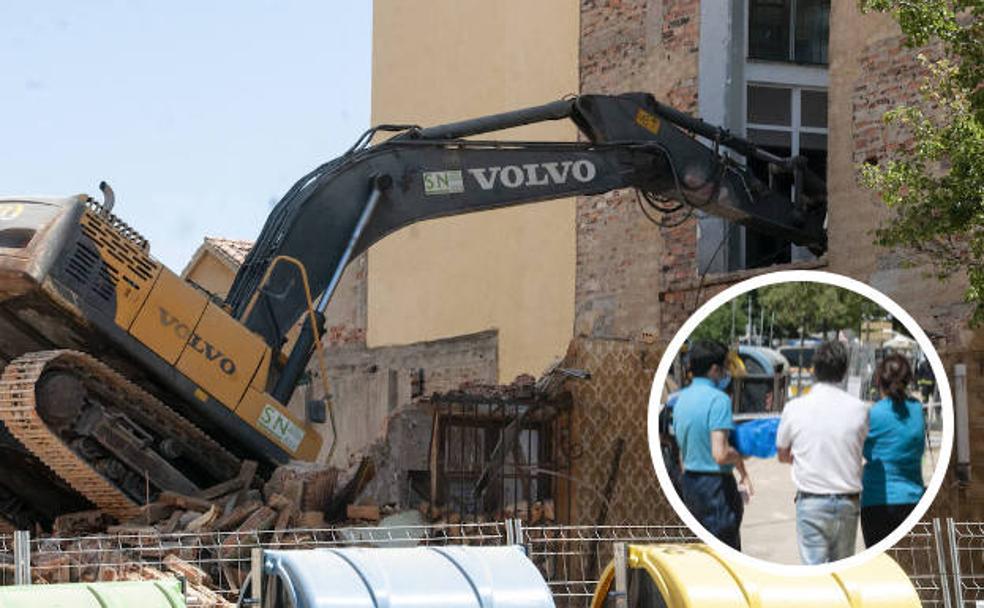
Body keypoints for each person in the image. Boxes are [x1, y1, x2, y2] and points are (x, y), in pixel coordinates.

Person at [776, 340, 868, 565]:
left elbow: (782, 452)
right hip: (848, 503)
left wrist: (801, 458)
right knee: (842, 573)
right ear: (844, 371)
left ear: (814, 370)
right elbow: (859, 447)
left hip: (811, 502)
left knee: (813, 576)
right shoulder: (860, 409)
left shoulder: (794, 408)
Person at [671, 340, 752, 550]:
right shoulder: (719, 401)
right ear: (714, 369)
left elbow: (682, 454)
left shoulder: (680, 400)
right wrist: (742, 455)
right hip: (716, 490)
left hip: (689, 484)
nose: (726, 372)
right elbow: (720, 454)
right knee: (725, 555)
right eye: (724, 367)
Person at [860, 354, 925, 547]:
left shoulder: (873, 414)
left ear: (878, 380)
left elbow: (858, 450)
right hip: (912, 500)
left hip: (876, 501)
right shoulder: (916, 410)